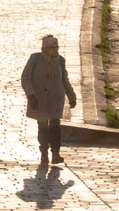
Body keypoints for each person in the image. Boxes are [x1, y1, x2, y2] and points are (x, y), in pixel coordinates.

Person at [21, 33, 77, 169]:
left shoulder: (61, 61)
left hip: (55, 99)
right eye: (52, 48)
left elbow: (64, 80)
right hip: (38, 99)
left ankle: (56, 154)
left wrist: (71, 95)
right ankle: (44, 154)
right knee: (43, 127)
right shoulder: (35, 59)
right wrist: (31, 95)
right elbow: (25, 78)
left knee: (55, 127)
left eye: (56, 47)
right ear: (44, 49)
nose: (55, 50)